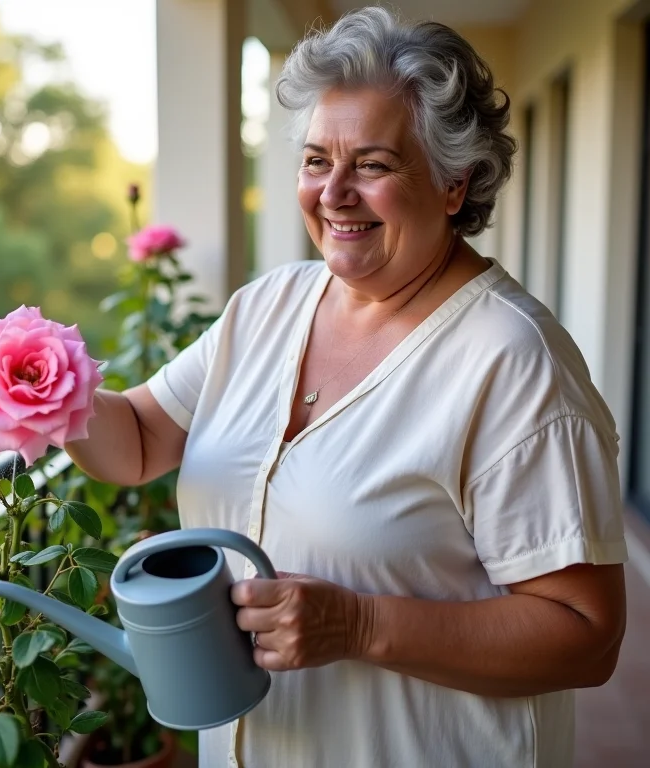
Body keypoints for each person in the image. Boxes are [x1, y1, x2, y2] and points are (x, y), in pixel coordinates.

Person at [66, 8, 627, 767]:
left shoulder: (512, 361)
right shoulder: (266, 308)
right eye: (314, 160)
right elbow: (135, 440)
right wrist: (50, 395)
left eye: (372, 164)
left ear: (454, 183)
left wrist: (360, 626)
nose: (332, 193)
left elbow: (584, 636)